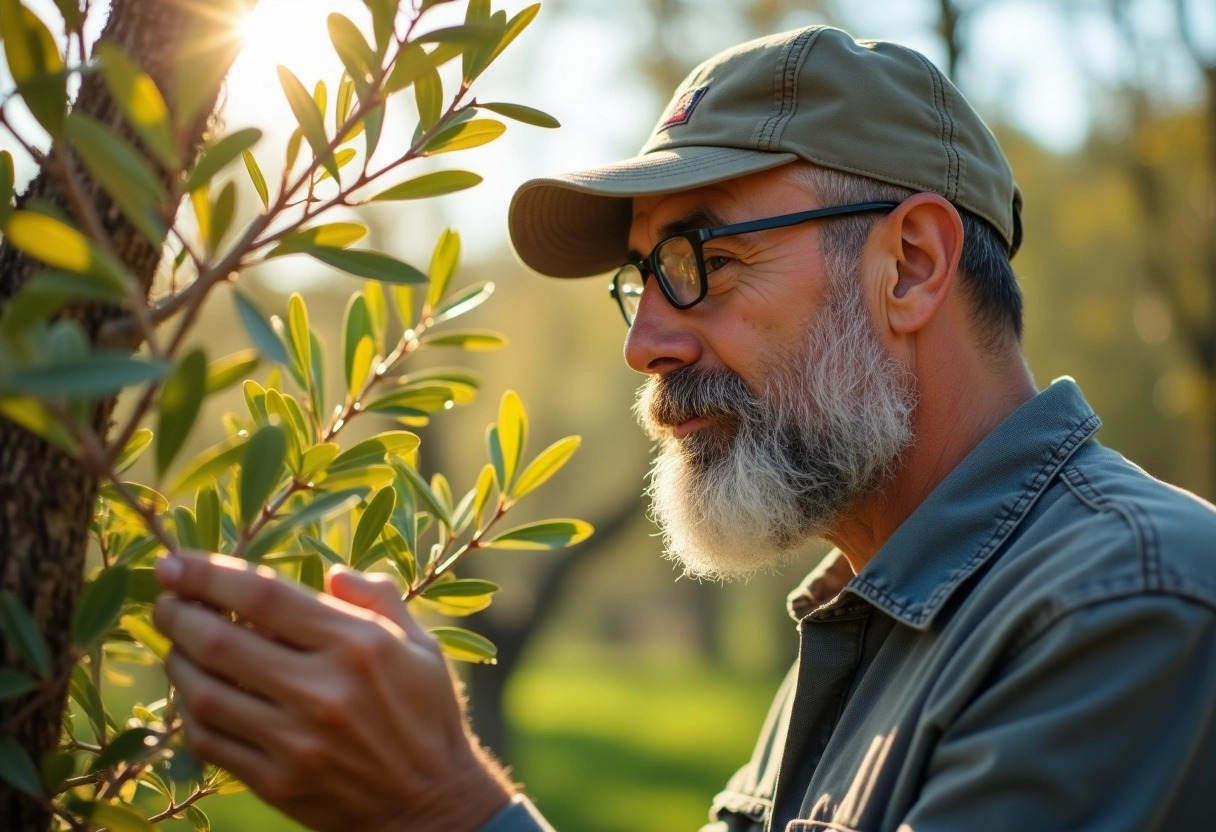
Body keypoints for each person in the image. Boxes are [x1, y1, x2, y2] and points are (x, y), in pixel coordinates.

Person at [152, 25, 1216, 832]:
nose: (646, 342)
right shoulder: (867, 625)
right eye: (641, 278)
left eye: (699, 261)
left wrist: (444, 802)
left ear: (912, 266)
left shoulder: (1129, 602)